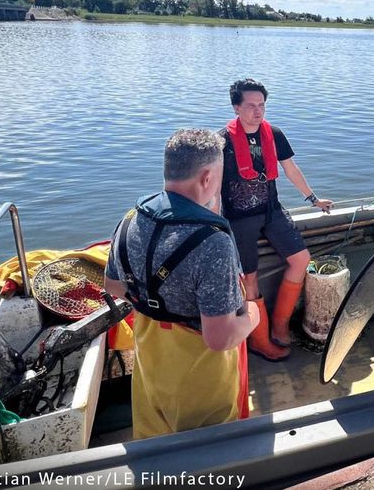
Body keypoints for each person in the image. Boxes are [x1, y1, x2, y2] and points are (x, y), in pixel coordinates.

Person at [104, 129, 254, 439]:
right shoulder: (213, 242)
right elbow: (220, 338)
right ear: (207, 177)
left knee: (156, 448)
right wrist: (253, 314)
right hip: (201, 382)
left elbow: (113, 286)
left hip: (151, 367)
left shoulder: (130, 219)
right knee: (210, 452)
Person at [220, 78, 333, 362]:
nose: (258, 111)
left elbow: (290, 168)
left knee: (301, 259)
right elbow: (210, 187)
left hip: (271, 211)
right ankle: (259, 340)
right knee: (250, 279)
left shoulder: (274, 134)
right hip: (239, 218)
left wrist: (313, 199)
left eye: (262, 105)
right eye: (250, 105)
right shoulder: (221, 142)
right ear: (236, 107)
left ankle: (280, 325)